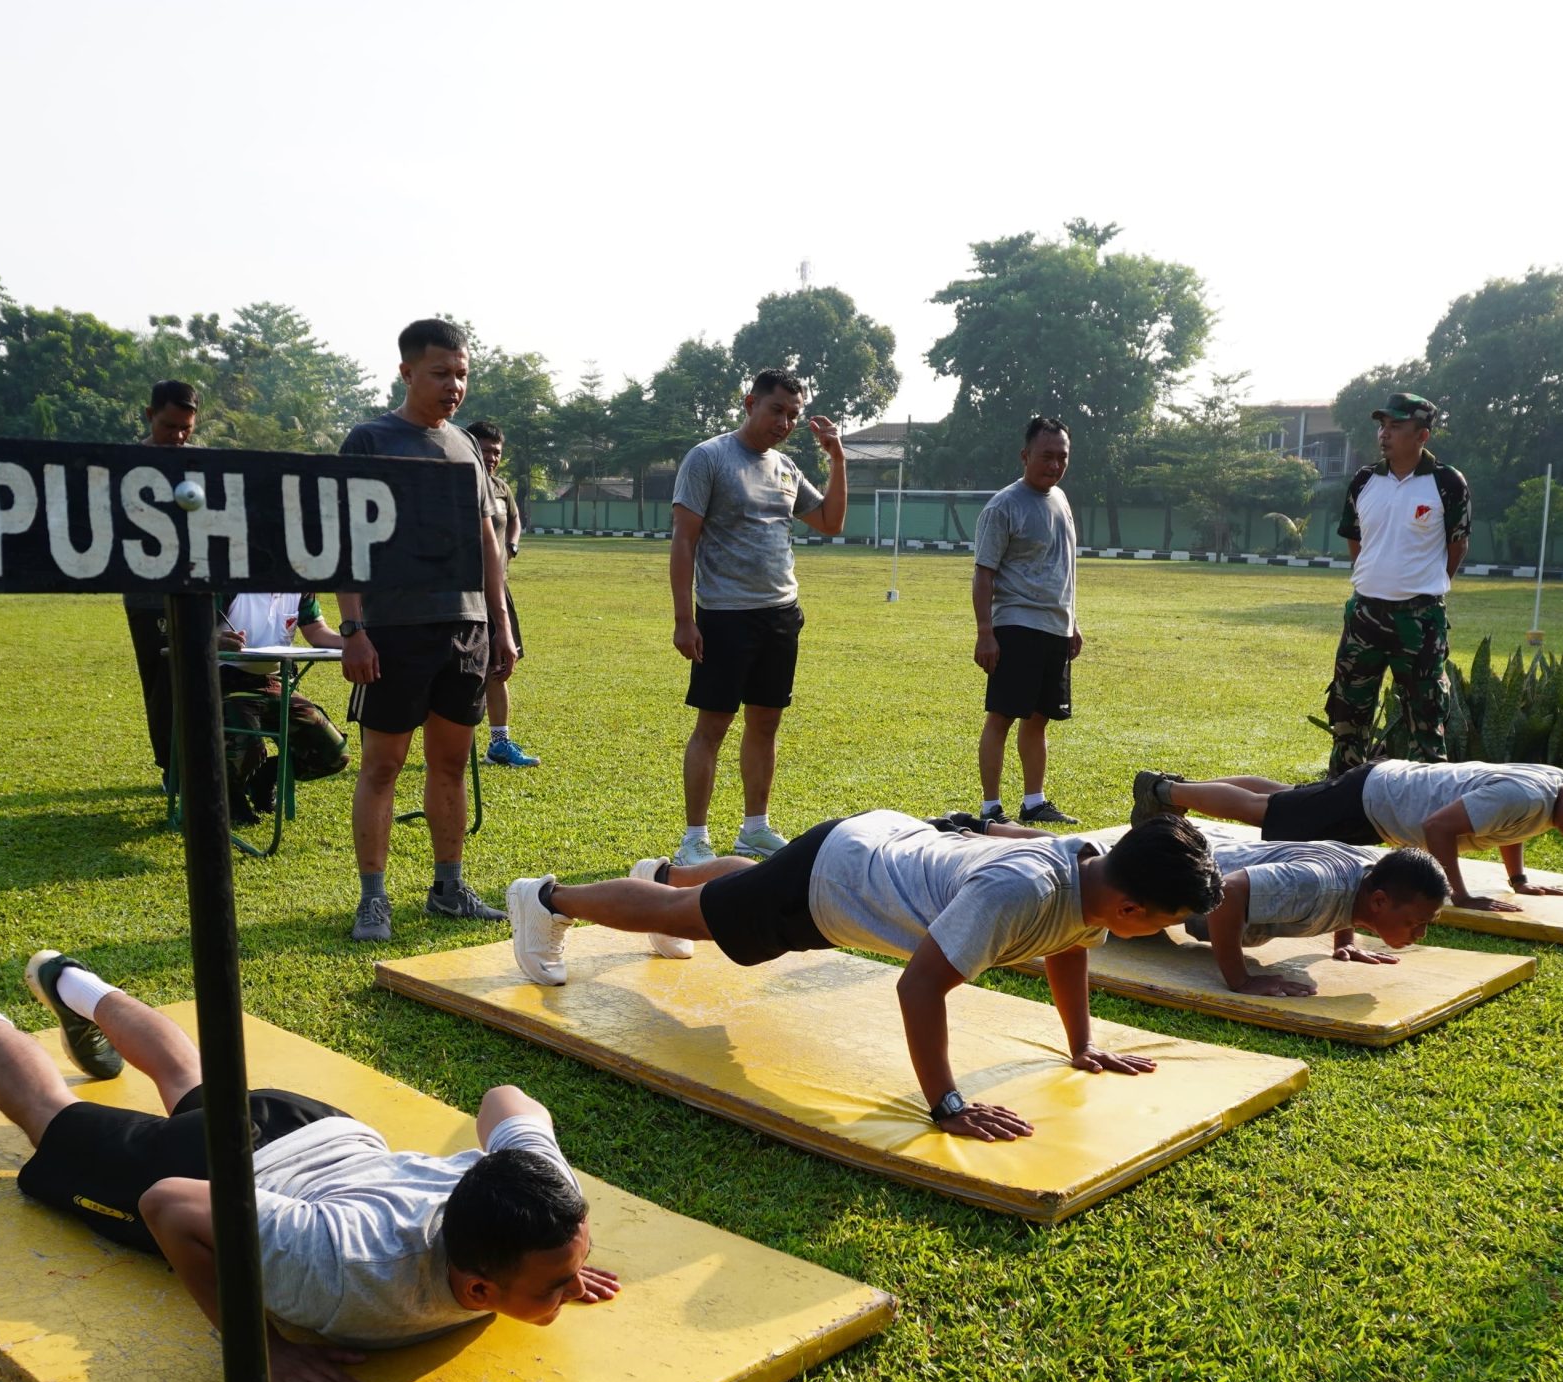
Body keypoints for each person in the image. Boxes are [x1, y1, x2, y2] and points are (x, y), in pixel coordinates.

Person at [0, 950, 621, 1382]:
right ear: (480, 1291)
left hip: (321, 1130)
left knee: (193, 1081)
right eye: (557, 1282)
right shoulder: (342, 1265)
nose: (574, 1286)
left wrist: (559, 1265)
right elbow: (169, 1205)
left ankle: (68, 979)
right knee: (51, 1117)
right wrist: (262, 1349)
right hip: (224, 1170)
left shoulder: (533, 1194)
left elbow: (507, 1101)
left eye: (572, 1268)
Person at [501, 812, 1217, 1141]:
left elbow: (1069, 943)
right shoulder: (1020, 892)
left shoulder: (1095, 871)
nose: (1166, 930)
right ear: (1131, 904)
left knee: (727, 895)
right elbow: (920, 987)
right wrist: (947, 1104)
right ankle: (545, 899)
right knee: (696, 916)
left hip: (871, 853)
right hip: (837, 882)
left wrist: (1081, 1042)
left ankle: (660, 877)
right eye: (1168, 919)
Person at [335, 320, 518, 943]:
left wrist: (498, 622)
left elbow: (486, 538)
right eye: (441, 373)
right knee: (383, 766)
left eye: (461, 373)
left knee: (451, 762)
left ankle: (448, 887)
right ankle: (373, 898)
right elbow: (347, 540)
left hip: (463, 627)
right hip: (392, 630)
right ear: (407, 372)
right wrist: (354, 627)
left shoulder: (466, 447)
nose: (454, 385)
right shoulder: (370, 441)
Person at [668, 370, 849, 865]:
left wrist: (836, 459)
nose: (785, 422)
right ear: (750, 403)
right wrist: (685, 620)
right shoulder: (709, 458)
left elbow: (831, 523)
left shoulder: (787, 468)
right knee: (713, 727)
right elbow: (684, 540)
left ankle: (754, 829)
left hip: (780, 615)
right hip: (725, 616)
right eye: (777, 410)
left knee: (765, 723)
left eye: (793, 414)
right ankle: (694, 839)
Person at [1131, 758, 1563, 911]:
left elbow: (1510, 827)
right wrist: (1458, 895)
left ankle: (1172, 789)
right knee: (1267, 813)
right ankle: (1164, 792)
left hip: (1381, 791)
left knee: (1282, 800)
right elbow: (1440, 828)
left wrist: (1519, 876)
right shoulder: (1528, 796)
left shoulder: (1549, 792)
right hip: (1377, 802)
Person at [1326, 393, 1471, 777]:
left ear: (1421, 435)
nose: (1384, 434)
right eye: (1382, 426)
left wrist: (1427, 586)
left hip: (1420, 620)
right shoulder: (1364, 480)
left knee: (1426, 719)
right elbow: (1354, 537)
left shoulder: (1446, 483)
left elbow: (1457, 545)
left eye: (1396, 427)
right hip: (1365, 614)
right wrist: (1373, 577)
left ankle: (1426, 815)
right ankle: (1339, 800)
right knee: (1347, 716)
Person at [970, 417, 1083, 826]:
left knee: (1039, 720)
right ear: (1025, 456)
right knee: (1002, 716)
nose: (1054, 465)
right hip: (1016, 627)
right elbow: (984, 573)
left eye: (1062, 457)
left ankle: (1034, 802)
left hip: (1055, 628)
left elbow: (1063, 565)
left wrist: (1072, 620)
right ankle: (991, 809)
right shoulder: (1004, 506)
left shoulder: (1061, 500)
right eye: (1046, 456)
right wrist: (986, 633)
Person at [1187, 842, 1452, 997]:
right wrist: (1241, 980)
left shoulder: (1373, 874)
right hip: (1180, 884)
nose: (1421, 934)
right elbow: (1229, 892)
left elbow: (1355, 890)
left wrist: (1345, 940)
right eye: (1416, 922)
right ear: (1379, 902)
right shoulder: (1315, 886)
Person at [124, 379, 199, 785]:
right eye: (170, 426)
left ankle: (206, 761)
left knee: (205, 677)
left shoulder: (202, 463)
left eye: (187, 427)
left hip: (199, 590)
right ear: (150, 415)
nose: (179, 436)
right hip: (148, 596)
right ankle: (172, 769)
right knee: (163, 683)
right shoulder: (125, 463)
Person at [218, 591, 346, 820]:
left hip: (275, 682)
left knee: (333, 754)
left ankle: (264, 777)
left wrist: (355, 641)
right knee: (247, 747)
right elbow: (188, 630)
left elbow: (317, 631)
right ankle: (228, 797)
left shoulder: (300, 587)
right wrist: (213, 641)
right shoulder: (228, 580)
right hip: (223, 680)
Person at [464, 421, 537, 768]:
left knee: (499, 666)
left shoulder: (500, 488)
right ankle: (448, 742)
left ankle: (499, 743)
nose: (491, 457)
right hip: (461, 594)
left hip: (496, 593)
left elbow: (516, 519)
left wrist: (512, 544)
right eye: (484, 449)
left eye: (496, 451)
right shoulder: (456, 487)